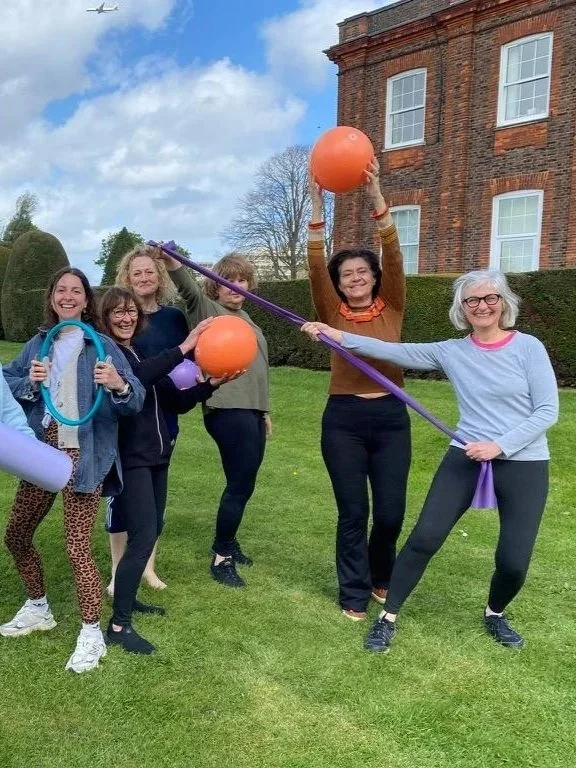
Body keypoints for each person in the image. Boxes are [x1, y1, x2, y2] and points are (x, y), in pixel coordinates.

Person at [302, 269, 559, 652]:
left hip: (524, 462)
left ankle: (495, 613)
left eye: (490, 298)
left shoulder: (528, 348)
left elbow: (547, 411)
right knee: (424, 537)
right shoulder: (452, 352)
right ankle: (387, 617)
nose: (482, 305)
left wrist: (499, 446)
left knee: (514, 560)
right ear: (462, 309)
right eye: (472, 300)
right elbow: (392, 351)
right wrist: (337, 335)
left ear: (504, 303)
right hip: (465, 457)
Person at [1, 267, 145, 673]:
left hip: (85, 451)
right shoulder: (36, 345)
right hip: (41, 449)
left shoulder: (102, 346)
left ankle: (91, 634)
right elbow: (5, 382)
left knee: (76, 545)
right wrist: (29, 380)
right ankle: (38, 607)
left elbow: (134, 398)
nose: (67, 296)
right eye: (60, 290)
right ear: (52, 297)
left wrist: (117, 384)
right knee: (16, 535)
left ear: (86, 300)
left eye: (76, 291)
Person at [99, 287, 242, 653]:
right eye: (117, 312)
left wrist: (210, 386)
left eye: (130, 311)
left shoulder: (139, 349)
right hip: (132, 458)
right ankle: (118, 626)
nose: (125, 317)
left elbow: (174, 401)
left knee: (151, 529)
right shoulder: (107, 354)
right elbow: (140, 377)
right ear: (105, 318)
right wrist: (185, 345)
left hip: (158, 455)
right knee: (143, 536)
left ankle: (127, 602)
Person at [307, 160, 411, 621]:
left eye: (361, 272)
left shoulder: (394, 305)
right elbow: (314, 265)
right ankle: (353, 590)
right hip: (344, 420)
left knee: (389, 512)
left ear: (373, 276)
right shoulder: (331, 312)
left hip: (391, 417)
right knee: (354, 511)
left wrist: (376, 200)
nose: (354, 278)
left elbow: (395, 254)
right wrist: (315, 204)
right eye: (346, 273)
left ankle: (380, 575)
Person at [155, 249, 271, 588]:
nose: (235, 286)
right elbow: (189, 291)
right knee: (239, 484)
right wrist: (173, 262)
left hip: (251, 410)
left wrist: (265, 412)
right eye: (227, 281)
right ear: (216, 288)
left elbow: (258, 372)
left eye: (241, 280)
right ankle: (221, 556)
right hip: (226, 409)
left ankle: (230, 542)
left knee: (245, 482)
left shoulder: (250, 320)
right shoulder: (211, 312)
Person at [109, 244, 189, 592]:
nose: (143, 277)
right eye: (136, 272)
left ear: (160, 277)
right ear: (126, 277)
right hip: (124, 420)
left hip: (164, 418)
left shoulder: (173, 318)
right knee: (122, 499)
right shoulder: (114, 318)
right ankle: (117, 571)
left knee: (156, 499)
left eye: (150, 271)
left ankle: (148, 568)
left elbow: (187, 362)